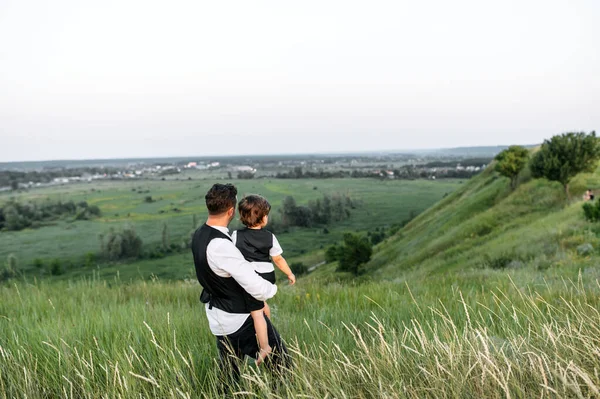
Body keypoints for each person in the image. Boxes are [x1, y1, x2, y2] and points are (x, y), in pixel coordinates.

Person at [191, 184, 291, 387]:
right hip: (240, 318)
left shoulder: (200, 234)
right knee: (282, 366)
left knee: (229, 374)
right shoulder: (221, 246)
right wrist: (271, 289)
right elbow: (256, 286)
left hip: (218, 317)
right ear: (230, 211)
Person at [231, 195, 296, 364]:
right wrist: (289, 273)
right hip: (266, 278)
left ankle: (264, 345)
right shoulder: (269, 236)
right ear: (262, 217)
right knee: (261, 308)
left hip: (249, 278)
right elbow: (278, 259)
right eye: (266, 214)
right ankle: (266, 342)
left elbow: (232, 257)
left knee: (256, 313)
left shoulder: (236, 235)